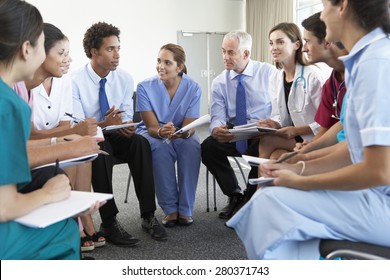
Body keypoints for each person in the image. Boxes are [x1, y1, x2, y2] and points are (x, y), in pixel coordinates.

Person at [226, 0, 390, 260]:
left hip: (382, 201)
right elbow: (353, 148)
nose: (323, 14)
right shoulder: (364, 62)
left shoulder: (376, 63)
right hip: (375, 194)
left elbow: (379, 170)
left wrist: (302, 180)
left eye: (324, 5)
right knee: (275, 192)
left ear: (342, 6)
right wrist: (297, 166)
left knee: (271, 202)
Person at [0, 0, 85, 260]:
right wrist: (48, 194)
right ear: (27, 49)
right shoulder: (10, 104)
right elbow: (5, 207)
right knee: (64, 230)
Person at [72, 21, 167, 244]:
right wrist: (103, 124)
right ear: (94, 52)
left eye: (118, 48)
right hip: (91, 137)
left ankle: (148, 215)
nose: (117, 55)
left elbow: (125, 115)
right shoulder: (74, 81)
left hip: (114, 133)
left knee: (140, 143)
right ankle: (109, 221)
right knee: (100, 146)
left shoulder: (124, 78)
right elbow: (78, 125)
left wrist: (126, 126)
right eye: (110, 49)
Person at [26, 23, 104, 252]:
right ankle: (77, 221)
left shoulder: (64, 81)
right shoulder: (24, 85)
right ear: (40, 53)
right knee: (70, 150)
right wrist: (67, 137)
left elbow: (62, 126)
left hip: (43, 139)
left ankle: (82, 217)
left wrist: (72, 135)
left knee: (84, 151)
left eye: (68, 53)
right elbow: (29, 135)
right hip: (33, 145)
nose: (68, 59)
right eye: (61, 53)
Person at [201, 30, 275, 219]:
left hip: (261, 132)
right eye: (223, 51)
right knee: (208, 147)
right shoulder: (219, 82)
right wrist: (216, 128)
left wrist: (272, 123)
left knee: (262, 150)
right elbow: (217, 115)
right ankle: (234, 194)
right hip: (235, 132)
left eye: (231, 52)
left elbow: (279, 108)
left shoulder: (268, 73)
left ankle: (249, 201)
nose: (225, 57)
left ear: (246, 54)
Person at [136, 43, 201, 227]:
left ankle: (186, 208)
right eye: (158, 61)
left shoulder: (193, 88)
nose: (160, 66)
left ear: (179, 67)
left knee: (192, 145)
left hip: (182, 132)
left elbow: (191, 125)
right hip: (154, 132)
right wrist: (160, 132)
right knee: (159, 147)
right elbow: (151, 126)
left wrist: (184, 132)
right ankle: (170, 209)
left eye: (167, 62)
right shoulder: (144, 87)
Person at [257, 22, 323, 160]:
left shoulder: (312, 77)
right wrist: (273, 123)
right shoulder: (275, 76)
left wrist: (297, 130)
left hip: (315, 137)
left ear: (296, 45)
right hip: (292, 136)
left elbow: (326, 121)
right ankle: (262, 181)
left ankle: (258, 182)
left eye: (280, 42)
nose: (274, 48)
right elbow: (278, 116)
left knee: (267, 141)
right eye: (271, 43)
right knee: (275, 157)